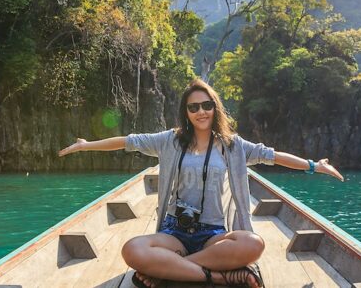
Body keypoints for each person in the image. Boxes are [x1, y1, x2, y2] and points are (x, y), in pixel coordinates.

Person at [58, 79, 344, 287]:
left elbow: (273, 156)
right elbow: (128, 142)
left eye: (207, 105)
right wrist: (86, 145)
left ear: (215, 108)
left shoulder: (233, 146)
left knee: (252, 244)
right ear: (186, 111)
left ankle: (168, 270)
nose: (201, 112)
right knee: (132, 249)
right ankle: (218, 276)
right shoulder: (170, 140)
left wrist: (312, 166)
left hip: (212, 234)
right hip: (175, 232)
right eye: (193, 107)